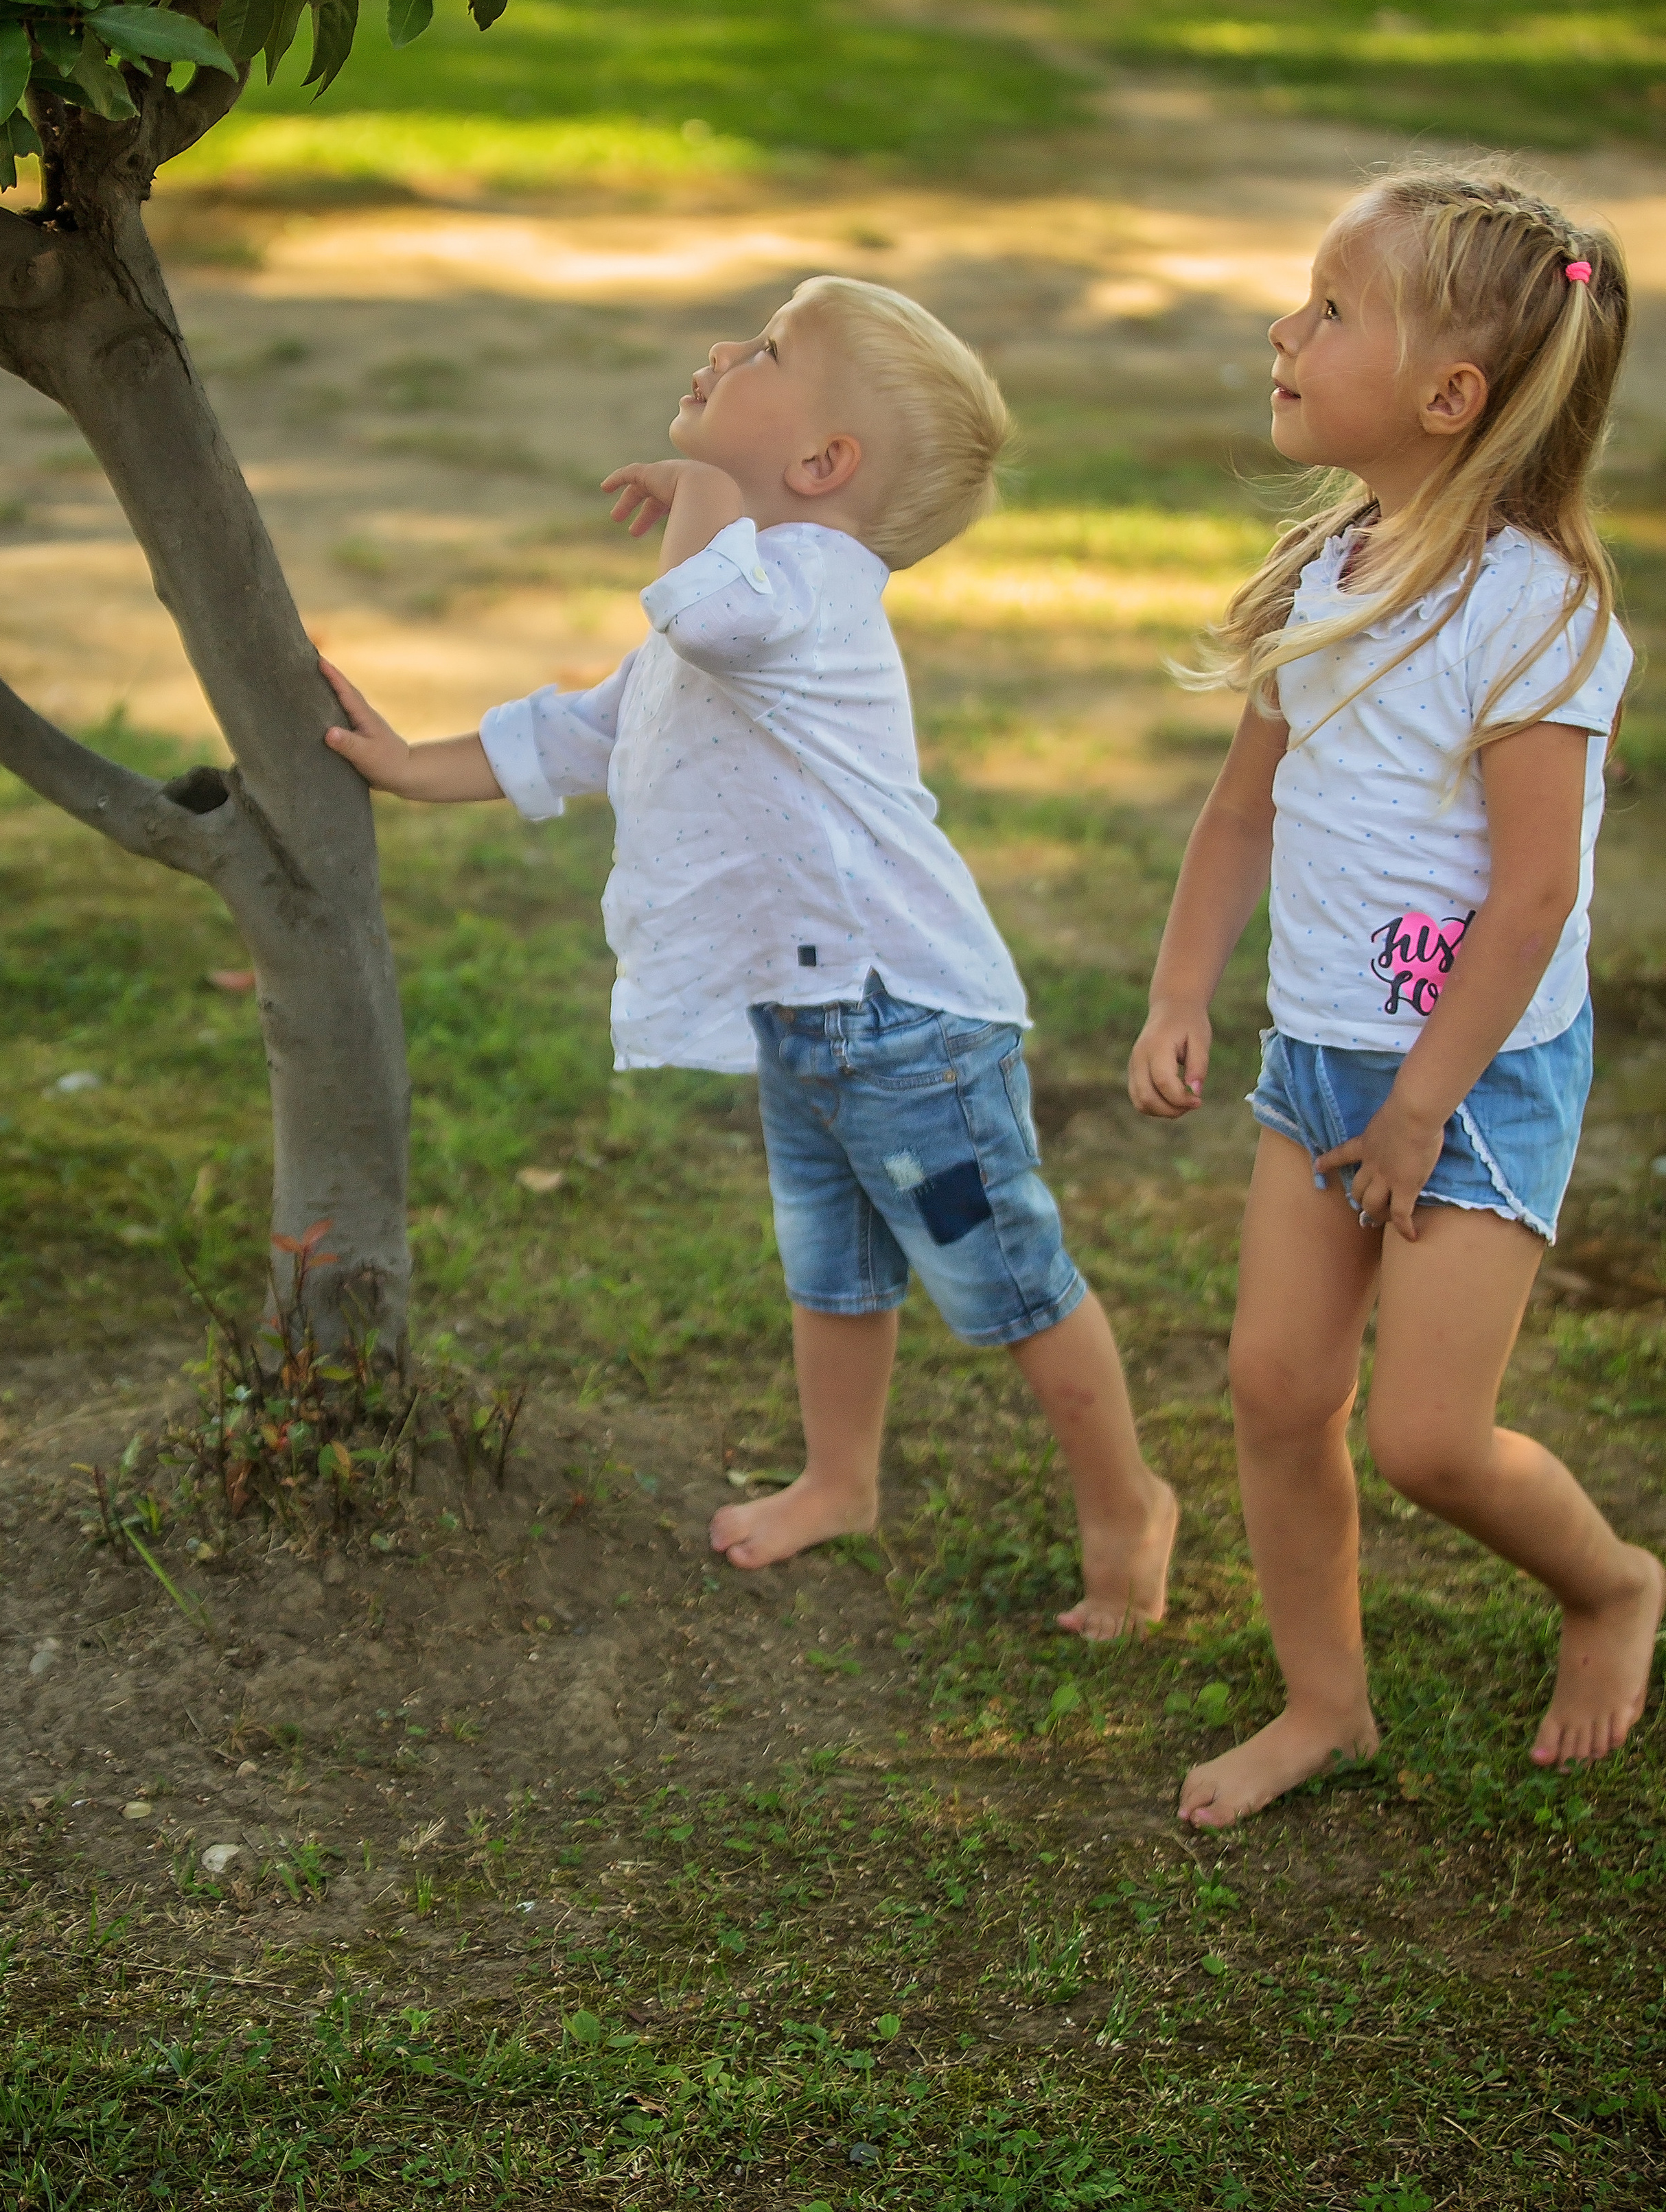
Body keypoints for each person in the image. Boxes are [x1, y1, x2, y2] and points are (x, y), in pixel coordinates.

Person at [323, 275, 1176, 1635]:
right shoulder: (744, 592)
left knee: (1003, 1278)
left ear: (820, 465)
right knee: (828, 1264)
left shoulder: (810, 590)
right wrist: (411, 762)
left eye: (768, 349)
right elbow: (596, 729)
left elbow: (703, 617)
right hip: (809, 1011)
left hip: (904, 1023)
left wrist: (697, 499)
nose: (723, 348)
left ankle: (1125, 1504)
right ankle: (838, 1480)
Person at [1129, 167, 1662, 1828]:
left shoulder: (1535, 617)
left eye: (1329, 310)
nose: (1284, 330)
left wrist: (1422, 1103)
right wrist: (1178, 991)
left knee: (1431, 1439)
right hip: (1318, 1062)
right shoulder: (1325, 571)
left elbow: (1530, 899)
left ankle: (1611, 1588)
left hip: (1470, 1081)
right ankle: (1322, 1703)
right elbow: (1240, 810)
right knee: (1277, 1390)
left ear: (1449, 398)